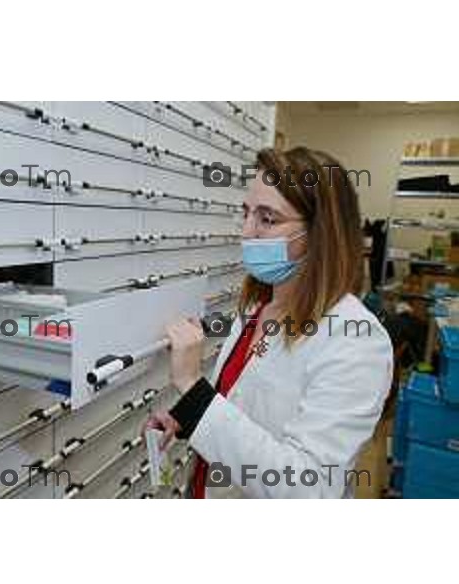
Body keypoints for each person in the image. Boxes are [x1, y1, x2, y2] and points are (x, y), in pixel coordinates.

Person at [145, 147, 393, 499]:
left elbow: (309, 488)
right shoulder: (260, 306)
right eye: (246, 214)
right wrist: (187, 417)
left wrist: (192, 385)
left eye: (267, 219)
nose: (246, 232)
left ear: (320, 233)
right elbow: (243, 405)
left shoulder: (356, 339)